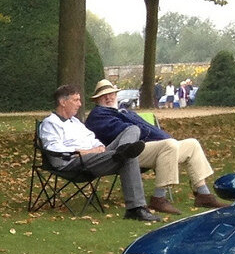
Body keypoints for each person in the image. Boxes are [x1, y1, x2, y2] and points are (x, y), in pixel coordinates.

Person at [86, 79, 224, 211]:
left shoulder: (124, 111)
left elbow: (149, 128)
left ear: (116, 95)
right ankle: (159, 198)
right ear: (97, 100)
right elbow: (127, 132)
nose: (108, 97)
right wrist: (160, 138)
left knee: (192, 144)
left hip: (149, 147)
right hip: (126, 153)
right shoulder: (99, 116)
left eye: (111, 93)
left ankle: (203, 194)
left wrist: (161, 137)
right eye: (104, 96)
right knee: (169, 145)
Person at [38, 83, 157, 222]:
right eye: (76, 100)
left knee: (133, 129)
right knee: (129, 156)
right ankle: (136, 209)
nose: (80, 104)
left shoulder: (75, 122)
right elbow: (53, 148)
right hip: (73, 162)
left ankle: (122, 151)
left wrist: (99, 146)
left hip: (96, 156)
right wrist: (86, 151)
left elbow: (92, 139)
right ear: (63, 102)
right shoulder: (50, 123)